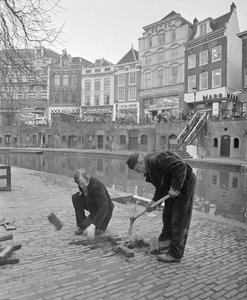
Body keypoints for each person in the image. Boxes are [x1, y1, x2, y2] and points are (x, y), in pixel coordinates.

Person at [126, 150, 196, 263]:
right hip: (171, 187)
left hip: (184, 183)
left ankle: (175, 254)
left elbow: (180, 166)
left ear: (141, 162)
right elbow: (161, 187)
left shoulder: (156, 159)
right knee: (167, 214)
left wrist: (175, 187)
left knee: (179, 218)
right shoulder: (149, 171)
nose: (138, 172)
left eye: (136, 169)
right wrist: (154, 202)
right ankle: (166, 239)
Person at [72, 168, 114, 240]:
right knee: (75, 197)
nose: (81, 186)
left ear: (87, 178)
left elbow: (104, 208)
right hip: (93, 205)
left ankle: (92, 225)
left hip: (104, 211)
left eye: (82, 183)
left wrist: (93, 225)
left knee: (94, 228)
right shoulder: (82, 185)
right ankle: (82, 224)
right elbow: (84, 193)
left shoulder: (97, 187)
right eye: (79, 184)